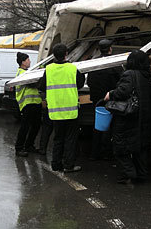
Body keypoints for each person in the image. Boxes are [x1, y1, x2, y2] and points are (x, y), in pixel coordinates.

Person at [104, 50, 151, 184]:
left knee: (120, 145)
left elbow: (123, 91)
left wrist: (111, 94)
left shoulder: (129, 74)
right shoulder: (147, 75)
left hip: (128, 116)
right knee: (140, 146)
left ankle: (128, 173)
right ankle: (142, 174)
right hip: (143, 116)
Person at [39, 43, 85, 173]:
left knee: (58, 138)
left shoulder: (48, 69)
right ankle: (69, 165)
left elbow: (41, 86)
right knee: (70, 139)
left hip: (55, 111)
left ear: (54, 55)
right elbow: (80, 83)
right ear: (66, 54)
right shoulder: (72, 68)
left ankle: (56, 164)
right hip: (71, 111)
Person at [87, 39, 122, 160]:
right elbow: (121, 82)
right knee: (111, 126)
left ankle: (94, 153)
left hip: (97, 100)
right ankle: (107, 153)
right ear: (110, 49)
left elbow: (90, 82)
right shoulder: (114, 64)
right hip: (111, 99)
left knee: (97, 126)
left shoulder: (94, 63)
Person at [14, 52, 42, 157]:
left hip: (35, 102)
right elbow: (32, 84)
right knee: (25, 126)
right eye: (28, 60)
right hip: (27, 104)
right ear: (23, 62)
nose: (30, 61)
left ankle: (29, 145)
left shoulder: (27, 72)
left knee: (36, 125)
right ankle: (19, 148)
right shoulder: (22, 73)